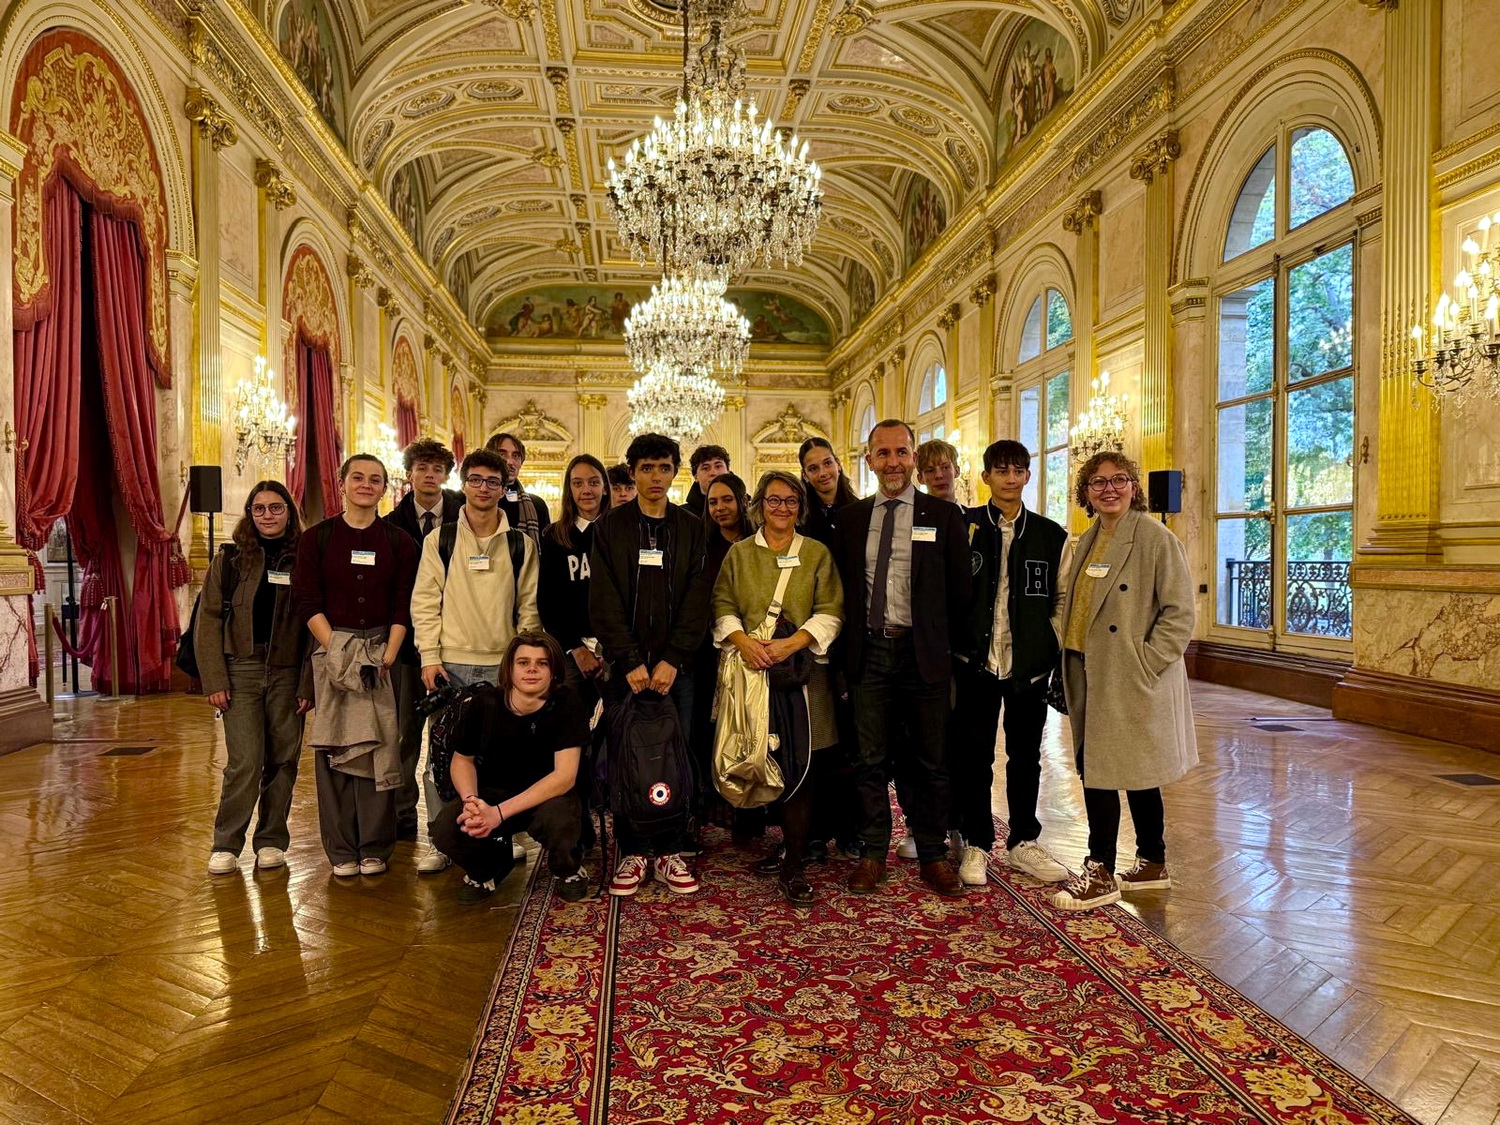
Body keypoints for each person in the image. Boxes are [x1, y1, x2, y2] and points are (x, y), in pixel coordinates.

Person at [1051, 452, 1197, 911]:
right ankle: (1152, 862)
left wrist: (1146, 663)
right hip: (1089, 669)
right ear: (1085, 492)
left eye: (1119, 480)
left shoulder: (1155, 538)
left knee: (1110, 771)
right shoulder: (1088, 538)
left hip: (1128, 673)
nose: (1108, 489)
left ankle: (1101, 870)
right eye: (1097, 482)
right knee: (1124, 769)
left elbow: (1179, 613)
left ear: (1135, 486)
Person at [831, 419, 971, 898]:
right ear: (868, 460)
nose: (893, 462)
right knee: (869, 759)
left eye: (902, 452)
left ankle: (932, 855)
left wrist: (948, 653)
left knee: (931, 760)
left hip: (924, 654)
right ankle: (873, 853)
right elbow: (843, 593)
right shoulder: (849, 520)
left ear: (913, 458)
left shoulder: (943, 515)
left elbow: (960, 594)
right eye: (883, 453)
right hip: (869, 652)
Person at [713, 472, 843, 905]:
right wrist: (745, 643)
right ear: (760, 505)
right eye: (774, 501)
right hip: (752, 675)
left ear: (800, 507)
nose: (782, 508)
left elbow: (832, 610)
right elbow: (722, 605)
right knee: (762, 757)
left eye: (790, 501)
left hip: (803, 677)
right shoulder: (739, 554)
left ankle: (795, 863)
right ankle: (785, 843)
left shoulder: (817, 554)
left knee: (801, 768)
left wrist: (791, 643)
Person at [589, 432, 711, 896]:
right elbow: (603, 601)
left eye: (663, 468)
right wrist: (631, 660)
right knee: (628, 758)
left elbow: (698, 599)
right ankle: (635, 850)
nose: (655, 477)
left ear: (675, 471)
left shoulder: (692, 526)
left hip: (677, 671)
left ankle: (672, 848)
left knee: (674, 756)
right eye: (646, 469)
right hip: (627, 670)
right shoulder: (611, 527)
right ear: (633, 472)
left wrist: (673, 660)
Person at [952, 441, 1072, 887]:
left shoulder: (1049, 534)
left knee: (1026, 756)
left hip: (1028, 668)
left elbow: (1062, 599)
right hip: (975, 663)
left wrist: (1047, 645)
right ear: (986, 477)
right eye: (1000, 470)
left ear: (1027, 476)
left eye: (1017, 470)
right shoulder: (963, 526)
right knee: (975, 756)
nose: (1008, 478)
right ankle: (977, 842)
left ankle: (1023, 841)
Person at [293, 455, 418, 876]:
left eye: (375, 479)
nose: (366, 485)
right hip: (332, 650)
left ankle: (376, 847)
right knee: (336, 748)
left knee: (383, 746)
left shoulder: (400, 541)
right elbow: (307, 600)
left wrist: (388, 654)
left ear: (385, 488)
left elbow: (406, 602)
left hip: (385, 651)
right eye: (358, 477)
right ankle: (342, 848)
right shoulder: (317, 539)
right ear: (342, 482)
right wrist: (338, 650)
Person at [199, 481, 314, 874]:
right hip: (241, 669)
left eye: (276, 508)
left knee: (284, 759)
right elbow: (208, 619)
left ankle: (271, 840)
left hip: (287, 671)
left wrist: (308, 683)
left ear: (289, 512)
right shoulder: (230, 559)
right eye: (259, 508)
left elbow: (316, 627)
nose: (268, 515)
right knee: (245, 761)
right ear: (250, 513)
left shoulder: (305, 558)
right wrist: (214, 679)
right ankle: (226, 843)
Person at [430, 632, 592, 904]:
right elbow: (462, 760)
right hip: (491, 793)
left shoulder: (568, 703)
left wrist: (498, 815)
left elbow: (564, 777)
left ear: (554, 671)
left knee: (561, 820)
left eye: (542, 663)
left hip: (547, 796)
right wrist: (471, 801)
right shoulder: (484, 703)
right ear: (509, 668)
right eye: (523, 662)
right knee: (445, 829)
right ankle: (489, 868)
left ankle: (568, 870)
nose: (532, 669)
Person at [384, 439, 463, 842]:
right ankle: (402, 810)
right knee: (405, 730)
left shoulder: (467, 514)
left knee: (450, 730)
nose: (430, 475)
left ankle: (451, 812)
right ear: (410, 474)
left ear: (446, 475)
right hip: (407, 644)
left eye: (437, 469)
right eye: (422, 468)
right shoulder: (391, 523)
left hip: (456, 639)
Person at [693, 472, 752, 838]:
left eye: (727, 500)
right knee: (711, 731)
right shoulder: (701, 544)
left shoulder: (760, 541)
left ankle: (749, 814)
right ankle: (711, 810)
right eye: (713, 502)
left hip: (753, 650)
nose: (720, 508)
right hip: (708, 652)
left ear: (742, 501)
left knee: (748, 729)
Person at [538, 453, 612, 694]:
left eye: (593, 482)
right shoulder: (554, 536)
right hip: (573, 651)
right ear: (569, 489)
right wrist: (577, 650)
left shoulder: (622, 532)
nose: (586, 490)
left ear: (604, 487)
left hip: (617, 649)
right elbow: (548, 601)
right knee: (571, 725)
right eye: (578, 483)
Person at [486, 431, 552, 543]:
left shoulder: (537, 505)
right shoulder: (475, 499)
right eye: (502, 454)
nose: (510, 462)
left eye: (516, 456)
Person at [798, 437, 861, 546]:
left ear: (838, 464)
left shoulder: (860, 510)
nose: (822, 473)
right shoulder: (798, 516)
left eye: (827, 463)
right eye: (813, 468)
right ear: (805, 476)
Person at [684, 443, 731, 516]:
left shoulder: (745, 511)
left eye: (718, 466)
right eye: (705, 468)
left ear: (728, 471)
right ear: (696, 476)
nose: (713, 473)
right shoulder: (682, 515)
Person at [916, 438, 960, 502]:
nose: (938, 475)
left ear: (957, 471)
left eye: (945, 468)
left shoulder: (971, 512)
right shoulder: (911, 512)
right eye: (930, 471)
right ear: (920, 478)